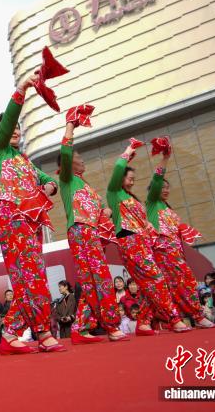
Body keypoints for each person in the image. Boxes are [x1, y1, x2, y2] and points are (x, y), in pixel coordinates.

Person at [0, 73, 65, 355]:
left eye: (18, 129)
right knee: (30, 273)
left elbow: (46, 179)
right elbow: (8, 122)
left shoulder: (25, 161)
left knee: (31, 276)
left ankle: (10, 332)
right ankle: (43, 332)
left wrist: (50, 185)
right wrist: (21, 89)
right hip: (11, 216)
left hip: (31, 220)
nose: (15, 131)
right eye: (10, 129)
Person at [106, 142, 190, 335]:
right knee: (157, 279)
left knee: (147, 284)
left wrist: (147, 224)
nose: (132, 182)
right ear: (120, 179)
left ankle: (143, 323)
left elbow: (139, 218)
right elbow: (118, 168)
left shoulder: (131, 198)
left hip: (142, 243)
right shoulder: (114, 193)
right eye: (130, 178)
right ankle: (173, 318)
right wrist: (129, 150)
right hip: (130, 242)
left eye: (134, 179)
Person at [58, 117, 127, 343]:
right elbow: (66, 152)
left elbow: (102, 209)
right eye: (78, 158)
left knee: (92, 280)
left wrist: (105, 211)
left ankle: (81, 327)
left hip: (92, 232)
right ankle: (111, 325)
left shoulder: (86, 185)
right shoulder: (67, 179)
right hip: (80, 230)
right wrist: (70, 126)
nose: (82, 160)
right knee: (99, 277)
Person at [145, 149, 215, 328]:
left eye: (168, 187)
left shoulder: (167, 208)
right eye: (162, 187)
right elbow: (157, 178)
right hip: (163, 252)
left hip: (175, 253)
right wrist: (165, 158)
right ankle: (192, 317)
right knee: (182, 281)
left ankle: (177, 319)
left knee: (178, 283)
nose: (166, 190)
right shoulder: (152, 204)